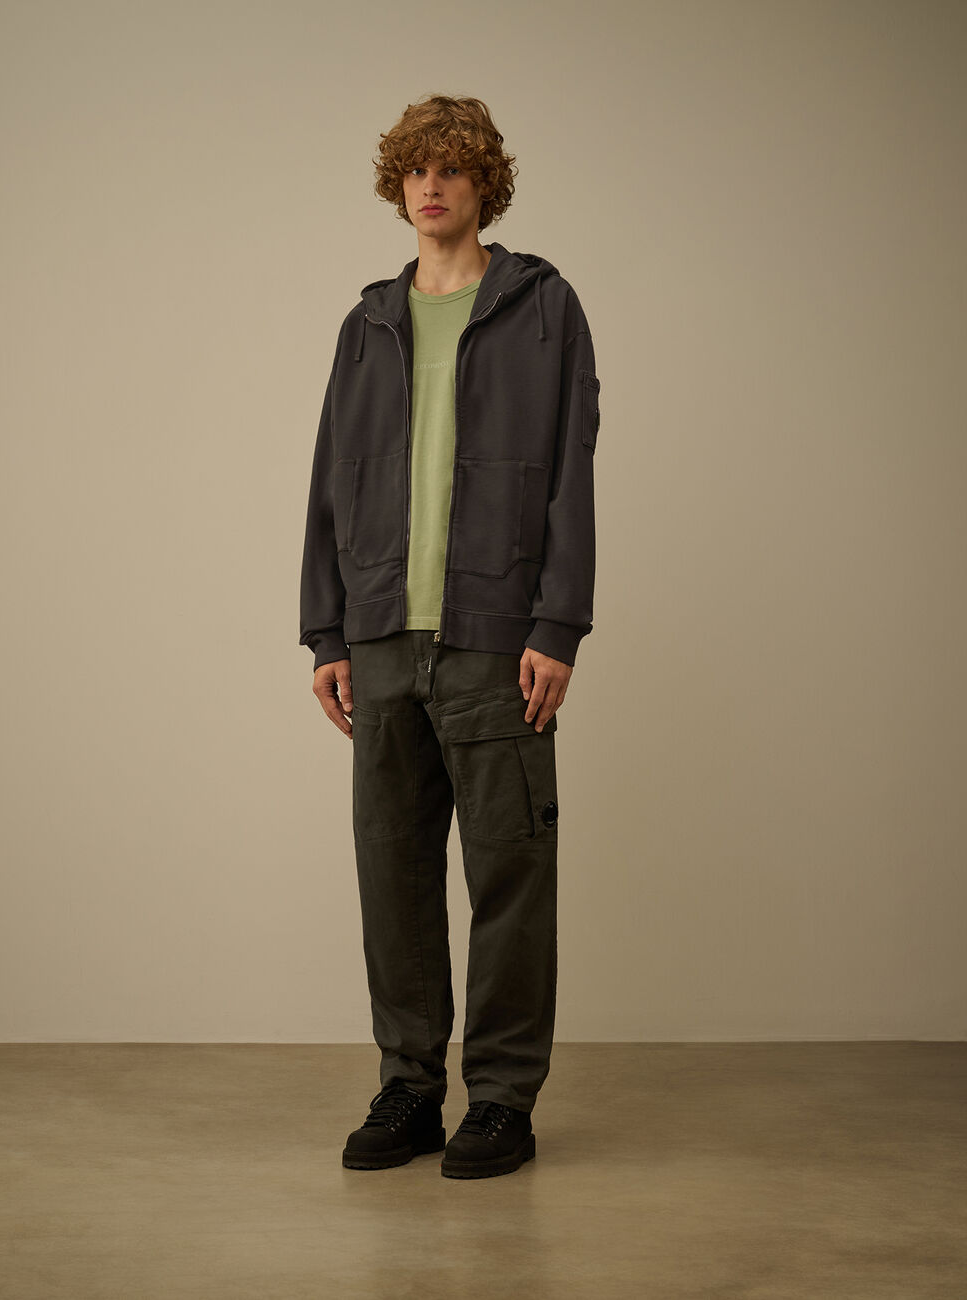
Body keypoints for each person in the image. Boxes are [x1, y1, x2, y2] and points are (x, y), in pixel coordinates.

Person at [299, 93, 600, 1179]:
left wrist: (556, 622)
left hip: (493, 636)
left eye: (454, 168)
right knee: (392, 871)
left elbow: (569, 472)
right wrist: (326, 630)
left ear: (484, 186)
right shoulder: (368, 324)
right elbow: (331, 481)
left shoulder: (542, 307)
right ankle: (409, 1089)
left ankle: (503, 1100)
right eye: (416, 170)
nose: (432, 185)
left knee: (509, 873)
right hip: (381, 634)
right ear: (399, 187)